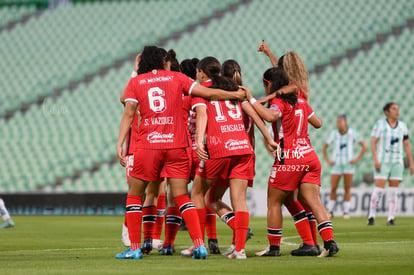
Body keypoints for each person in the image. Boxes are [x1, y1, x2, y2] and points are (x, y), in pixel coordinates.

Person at [115, 46, 246, 260]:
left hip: (148, 146)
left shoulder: (136, 82)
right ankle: (199, 246)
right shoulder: (177, 77)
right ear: (162, 61)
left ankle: (135, 248)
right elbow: (209, 92)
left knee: (135, 196)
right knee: (182, 197)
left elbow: (129, 113)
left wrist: (120, 143)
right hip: (176, 146)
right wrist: (235, 93)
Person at [191, 57, 277, 259]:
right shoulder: (236, 89)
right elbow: (253, 114)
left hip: (220, 147)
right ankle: (239, 250)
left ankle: (199, 245)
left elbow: (202, 115)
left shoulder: (201, 90)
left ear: (202, 72)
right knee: (239, 200)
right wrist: (269, 137)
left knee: (198, 194)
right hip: (243, 148)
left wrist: (199, 142)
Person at [247, 67, 339, 257]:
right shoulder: (302, 101)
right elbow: (318, 123)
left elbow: (271, 116)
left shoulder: (279, 103)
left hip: (289, 157)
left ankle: (273, 248)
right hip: (309, 156)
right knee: (308, 200)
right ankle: (325, 243)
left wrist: (252, 100)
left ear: (269, 84)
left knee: (273, 201)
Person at [368, 102, 414, 226]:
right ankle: (371, 216)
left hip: (397, 162)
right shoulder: (380, 124)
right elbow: (373, 142)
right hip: (383, 161)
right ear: (387, 112)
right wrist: (376, 159)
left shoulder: (403, 126)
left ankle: (391, 218)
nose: (397, 111)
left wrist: (411, 162)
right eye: (394, 109)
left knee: (393, 191)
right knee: (378, 190)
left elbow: (407, 144)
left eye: (397, 109)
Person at [322, 114, 367, 219]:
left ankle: (346, 211)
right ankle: (331, 211)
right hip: (336, 165)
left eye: (340, 122)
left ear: (345, 122)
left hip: (348, 165)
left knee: (347, 188)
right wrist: (328, 160)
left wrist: (357, 159)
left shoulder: (352, 133)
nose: (338, 124)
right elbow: (324, 147)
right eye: (337, 122)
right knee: (333, 188)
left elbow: (364, 146)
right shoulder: (334, 134)